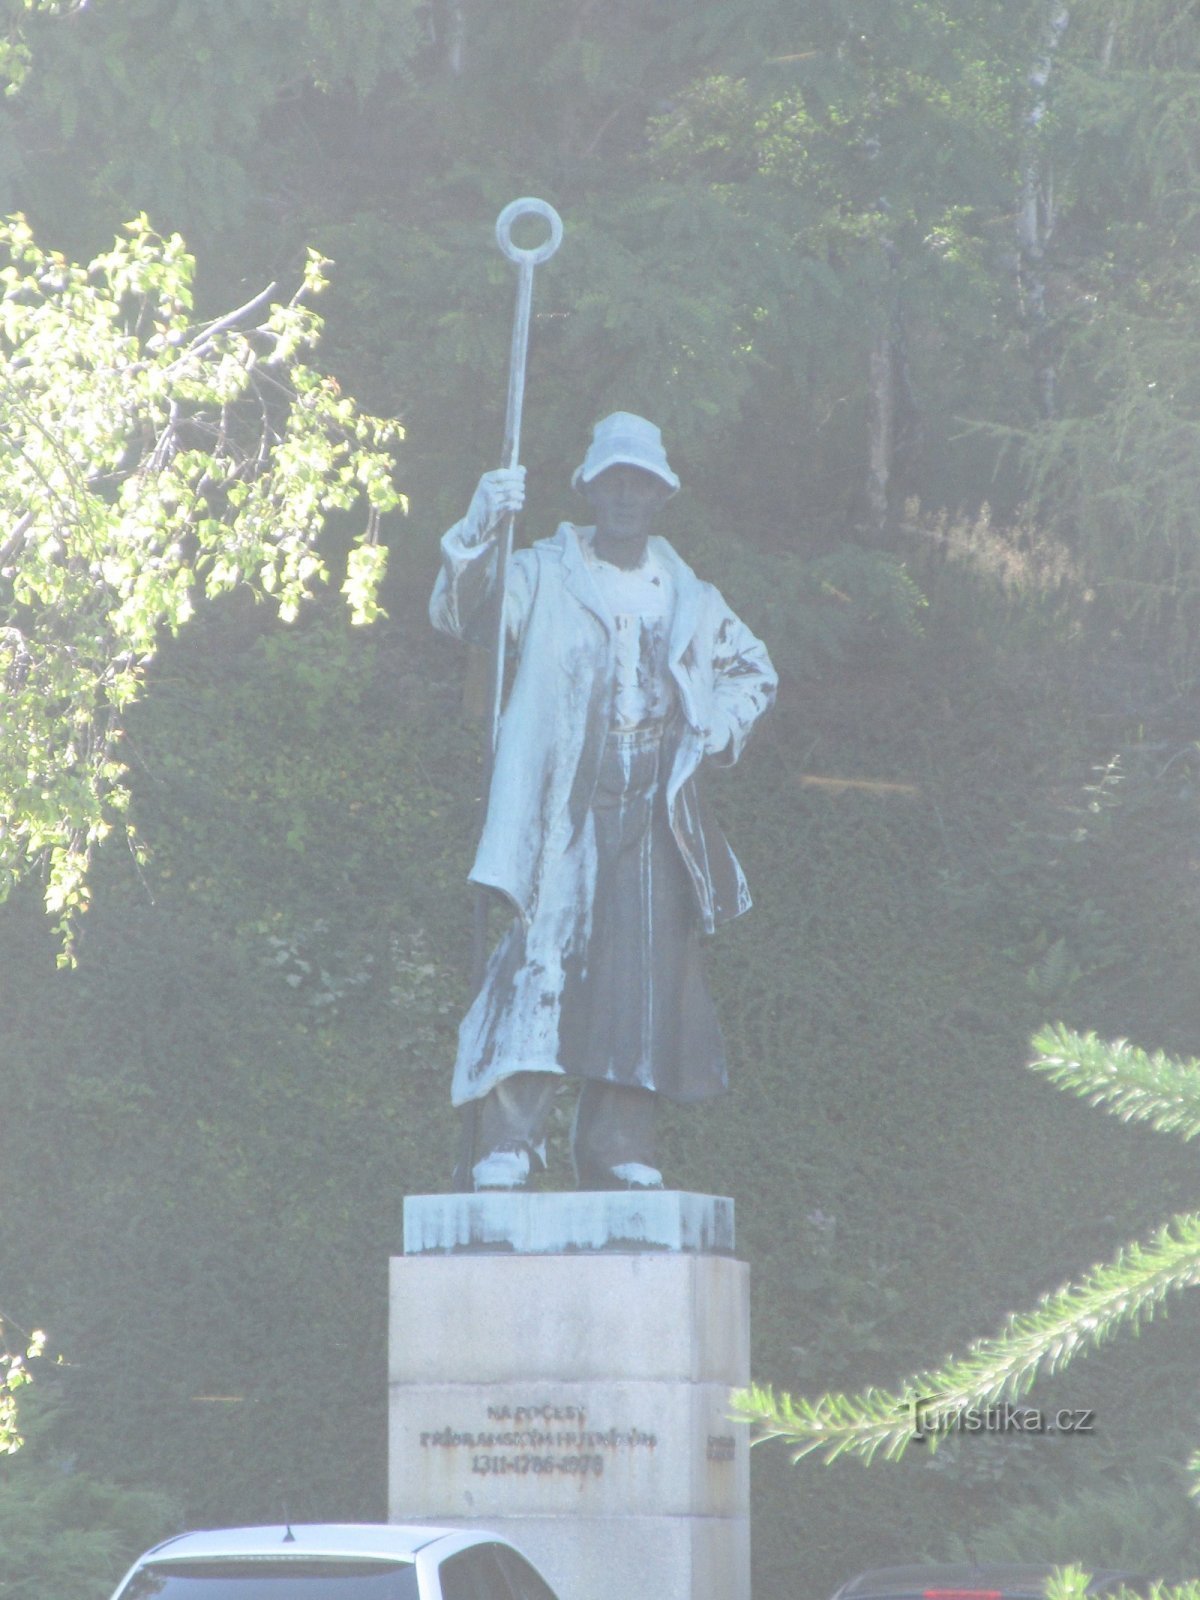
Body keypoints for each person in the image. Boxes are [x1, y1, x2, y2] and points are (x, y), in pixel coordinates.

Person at [430, 412, 776, 1191]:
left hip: (656, 797)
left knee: (640, 973)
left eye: (640, 482)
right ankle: (509, 1141)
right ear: (589, 486)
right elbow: (467, 616)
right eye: (612, 479)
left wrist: (716, 724)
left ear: (661, 496)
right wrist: (480, 530)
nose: (625, 494)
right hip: (564, 794)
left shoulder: (691, 594)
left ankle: (619, 1146)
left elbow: (753, 671)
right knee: (540, 958)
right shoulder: (546, 569)